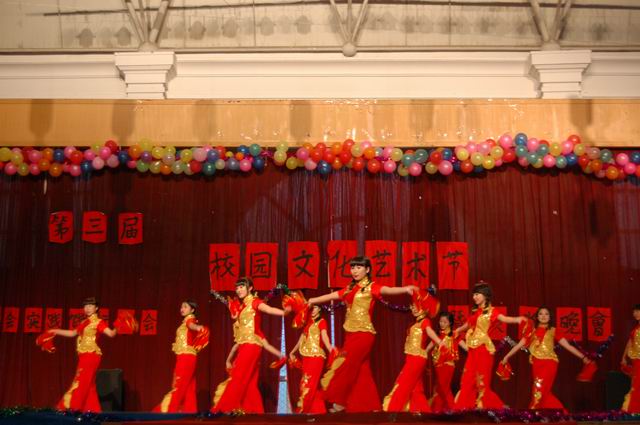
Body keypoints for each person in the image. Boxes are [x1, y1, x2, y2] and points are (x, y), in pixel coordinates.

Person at [308, 256, 418, 413]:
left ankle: (340, 400)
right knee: (361, 371)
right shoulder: (349, 289)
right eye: (353, 267)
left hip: (364, 334)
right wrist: (313, 300)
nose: (354, 271)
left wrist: (405, 289)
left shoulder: (371, 287)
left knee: (346, 364)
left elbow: (388, 289)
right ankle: (370, 406)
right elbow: (331, 296)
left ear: (367, 270)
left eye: (359, 267)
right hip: (350, 334)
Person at [211, 277, 289, 413]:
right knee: (250, 383)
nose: (238, 290)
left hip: (251, 347)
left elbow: (269, 309)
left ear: (250, 288)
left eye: (241, 287)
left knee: (238, 376)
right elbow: (241, 340)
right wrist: (228, 359)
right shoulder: (242, 309)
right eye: (237, 287)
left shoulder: (255, 302)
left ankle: (224, 409)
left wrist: (283, 312)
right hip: (246, 346)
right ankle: (255, 413)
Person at [500, 306, 591, 410]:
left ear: (550, 317)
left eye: (546, 314)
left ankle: (533, 413)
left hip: (550, 363)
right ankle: (561, 414)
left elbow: (568, 346)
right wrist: (506, 357)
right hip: (536, 363)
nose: (543, 316)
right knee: (545, 393)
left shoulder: (553, 330)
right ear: (537, 317)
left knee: (538, 390)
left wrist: (583, 357)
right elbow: (519, 345)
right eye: (541, 314)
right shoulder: (531, 330)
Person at [452, 282, 525, 409]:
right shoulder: (475, 311)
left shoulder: (492, 311)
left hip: (483, 350)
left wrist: (517, 319)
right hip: (473, 350)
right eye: (474, 295)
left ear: (485, 295)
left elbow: (504, 318)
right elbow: (468, 324)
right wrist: (458, 330)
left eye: (477, 294)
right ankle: (463, 410)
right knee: (467, 381)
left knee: (482, 384)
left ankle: (496, 409)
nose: (474, 297)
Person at [50, 297, 118, 412]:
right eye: (85, 306)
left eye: (90, 306)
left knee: (81, 381)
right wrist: (55, 331)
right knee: (89, 385)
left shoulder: (98, 322)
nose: (87, 308)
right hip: (84, 355)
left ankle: (72, 407)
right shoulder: (84, 322)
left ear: (96, 308)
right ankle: (92, 410)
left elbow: (111, 334)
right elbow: (73, 333)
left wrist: (119, 325)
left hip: (91, 354)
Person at [383, 289, 443, 413]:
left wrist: (439, 341)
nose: (413, 309)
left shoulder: (425, 321)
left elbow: (430, 332)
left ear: (423, 307)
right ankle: (423, 411)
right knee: (416, 387)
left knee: (403, 383)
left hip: (417, 358)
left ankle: (393, 410)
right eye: (412, 306)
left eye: (416, 306)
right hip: (412, 357)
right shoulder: (416, 323)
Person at [153, 300, 208, 413]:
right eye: (181, 307)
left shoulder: (189, 320)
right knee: (189, 387)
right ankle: (189, 412)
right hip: (187, 356)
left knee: (179, 385)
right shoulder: (185, 322)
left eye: (185, 307)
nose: (182, 309)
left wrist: (198, 327)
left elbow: (192, 325)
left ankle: (170, 411)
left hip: (186, 357)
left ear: (192, 310)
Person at [289, 304, 335, 413]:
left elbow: (324, 337)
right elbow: (301, 340)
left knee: (307, 383)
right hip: (306, 357)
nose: (313, 310)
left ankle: (303, 409)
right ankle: (319, 411)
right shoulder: (308, 323)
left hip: (316, 356)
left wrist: (331, 350)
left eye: (315, 308)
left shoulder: (322, 322)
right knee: (312, 385)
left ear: (319, 309)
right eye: (312, 308)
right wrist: (292, 351)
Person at [426, 311, 467, 412]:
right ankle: (441, 410)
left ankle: (451, 410)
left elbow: (465, 347)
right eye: (440, 321)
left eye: (445, 322)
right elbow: (429, 347)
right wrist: (422, 354)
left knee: (444, 388)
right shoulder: (438, 335)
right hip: (438, 366)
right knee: (441, 389)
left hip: (448, 365)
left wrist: (476, 350)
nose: (442, 324)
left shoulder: (454, 335)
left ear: (450, 323)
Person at [621, 304, 640, 412]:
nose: (635, 314)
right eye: (634, 312)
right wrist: (623, 357)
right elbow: (629, 343)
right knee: (635, 383)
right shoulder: (636, 329)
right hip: (636, 360)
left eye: (637, 311)